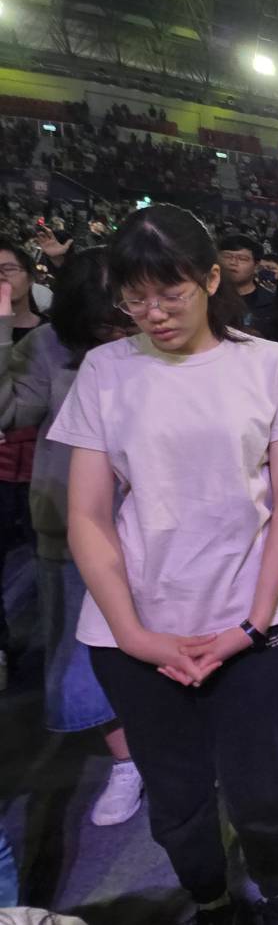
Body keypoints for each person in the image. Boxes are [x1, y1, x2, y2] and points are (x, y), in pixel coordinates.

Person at [53, 205, 278, 925]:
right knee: (175, 799)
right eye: (133, 297)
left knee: (259, 790)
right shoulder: (105, 370)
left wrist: (250, 620)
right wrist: (136, 633)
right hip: (134, 629)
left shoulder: (269, 365)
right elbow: (85, 513)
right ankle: (209, 900)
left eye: (169, 293)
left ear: (211, 278)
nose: (151, 312)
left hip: (250, 622)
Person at [0, 248, 141, 825]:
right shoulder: (47, 348)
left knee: (159, 645)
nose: (118, 327)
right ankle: (128, 762)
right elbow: (10, 413)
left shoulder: (154, 341)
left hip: (156, 526)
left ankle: (167, 746)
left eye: (123, 314)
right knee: (86, 653)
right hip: (70, 525)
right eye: (104, 319)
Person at [0, 236, 44, 690]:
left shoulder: (51, 334)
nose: (1, 280)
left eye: (8, 269)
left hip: (40, 470)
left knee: (49, 567)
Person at [217, 234, 275, 329]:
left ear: (256, 266)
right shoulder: (206, 297)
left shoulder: (271, 303)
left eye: (242, 259)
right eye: (227, 257)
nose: (233, 262)